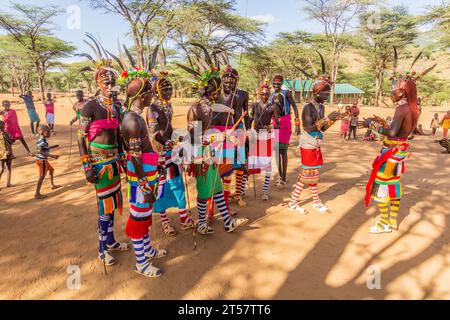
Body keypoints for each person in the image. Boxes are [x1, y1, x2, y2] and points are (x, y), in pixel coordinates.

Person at [361, 48, 436, 233]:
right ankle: (393, 221)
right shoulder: (411, 109)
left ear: (402, 92)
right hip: (400, 152)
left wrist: (372, 125)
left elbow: (392, 132)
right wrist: (382, 122)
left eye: (393, 89)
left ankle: (383, 223)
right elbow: (405, 133)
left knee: (382, 185)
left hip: (392, 153)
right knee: (394, 183)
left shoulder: (401, 109)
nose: (391, 92)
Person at [182, 57, 248, 235]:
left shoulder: (208, 107)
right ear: (212, 90)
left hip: (209, 153)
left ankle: (227, 222)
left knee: (217, 187)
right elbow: (195, 139)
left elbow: (207, 131)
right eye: (217, 88)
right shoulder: (195, 109)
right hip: (200, 156)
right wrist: (219, 136)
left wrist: (223, 136)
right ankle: (202, 224)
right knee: (205, 191)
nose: (218, 92)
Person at [77, 41, 129, 267]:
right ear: (98, 83)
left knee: (114, 203)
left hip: (115, 162)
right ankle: (101, 249)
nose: (109, 85)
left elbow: (118, 134)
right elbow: (81, 137)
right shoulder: (89, 106)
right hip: (98, 164)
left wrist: (125, 156)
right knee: (104, 207)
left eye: (112, 81)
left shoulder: (116, 107)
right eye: (105, 81)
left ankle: (111, 240)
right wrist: (86, 166)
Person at [119, 67, 167, 278]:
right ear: (142, 95)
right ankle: (141, 263)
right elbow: (136, 157)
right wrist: (145, 186)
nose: (152, 95)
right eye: (150, 92)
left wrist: (155, 167)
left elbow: (144, 150)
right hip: (141, 178)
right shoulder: (131, 121)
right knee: (139, 218)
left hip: (147, 171)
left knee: (145, 214)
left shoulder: (137, 118)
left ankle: (147, 250)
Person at [288, 53, 340, 215]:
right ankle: (293, 202)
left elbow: (321, 129)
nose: (327, 96)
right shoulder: (308, 108)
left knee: (313, 175)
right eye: (326, 93)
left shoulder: (321, 107)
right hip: (308, 144)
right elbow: (309, 128)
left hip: (316, 143)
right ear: (318, 93)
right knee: (307, 175)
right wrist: (327, 119)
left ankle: (315, 202)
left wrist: (333, 120)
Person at [147, 71, 194, 237]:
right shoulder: (152, 109)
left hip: (171, 150)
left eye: (170, 89)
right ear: (157, 90)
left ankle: (184, 218)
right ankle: (165, 222)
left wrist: (176, 140)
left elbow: (169, 129)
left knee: (177, 183)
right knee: (161, 187)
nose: (169, 92)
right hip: (159, 153)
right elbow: (154, 134)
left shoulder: (168, 106)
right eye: (165, 89)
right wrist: (169, 143)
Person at [248, 81, 280, 201]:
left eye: (267, 94)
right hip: (254, 135)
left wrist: (270, 127)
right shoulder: (255, 105)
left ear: (269, 94)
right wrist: (248, 130)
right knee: (249, 162)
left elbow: (278, 124)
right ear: (259, 94)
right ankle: (241, 191)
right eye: (263, 94)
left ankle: (265, 191)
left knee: (266, 163)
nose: (265, 96)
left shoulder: (273, 106)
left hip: (266, 136)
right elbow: (250, 118)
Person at [269, 74, 301, 188]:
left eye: (278, 84)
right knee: (276, 151)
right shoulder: (271, 95)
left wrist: (297, 124)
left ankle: (283, 177)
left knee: (283, 151)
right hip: (275, 123)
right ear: (272, 84)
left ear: (281, 84)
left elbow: (295, 107)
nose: (276, 85)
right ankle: (279, 176)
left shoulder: (286, 93)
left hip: (285, 123)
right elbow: (269, 110)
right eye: (274, 83)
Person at [34, 124, 60, 199]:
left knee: (51, 170)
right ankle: (37, 194)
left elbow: (44, 148)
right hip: (42, 161)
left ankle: (52, 185)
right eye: (47, 132)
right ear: (42, 133)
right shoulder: (41, 141)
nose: (49, 133)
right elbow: (40, 151)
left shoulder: (43, 139)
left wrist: (52, 146)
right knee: (41, 176)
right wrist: (52, 156)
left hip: (43, 160)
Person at [0, 120, 15, 189]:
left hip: (6, 153)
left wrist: (8, 139)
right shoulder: (5, 134)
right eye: (1, 126)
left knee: (6, 168)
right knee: (3, 168)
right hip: (3, 153)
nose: (2, 128)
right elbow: (11, 141)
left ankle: (8, 183)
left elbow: (12, 141)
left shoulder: (6, 134)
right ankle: (7, 183)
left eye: (3, 126)